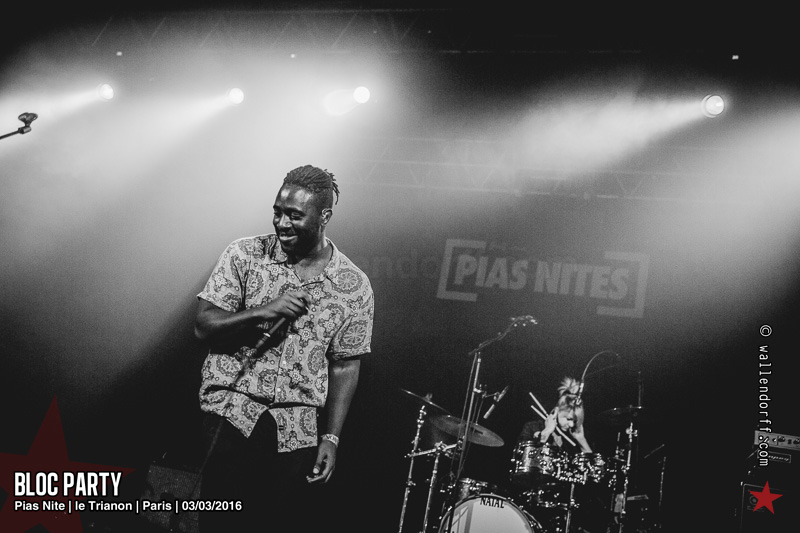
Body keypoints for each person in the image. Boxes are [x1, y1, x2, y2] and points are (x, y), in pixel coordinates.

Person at [193, 164, 374, 532]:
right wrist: (263, 311)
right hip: (232, 415)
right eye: (277, 211)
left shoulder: (354, 286)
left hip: (296, 431)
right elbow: (204, 326)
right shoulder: (245, 254)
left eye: (294, 215)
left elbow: (345, 365)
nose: (282, 223)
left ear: (324, 217)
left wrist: (331, 437)